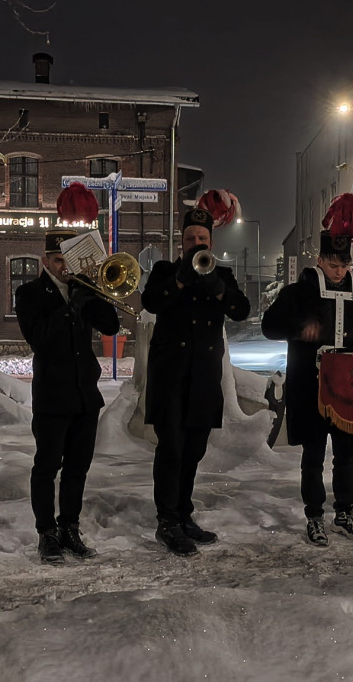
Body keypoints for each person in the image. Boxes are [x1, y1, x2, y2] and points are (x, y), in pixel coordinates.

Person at [262, 193, 353, 548]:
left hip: (348, 391)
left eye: (343, 264)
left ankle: (344, 512)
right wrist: (299, 329)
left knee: (346, 455)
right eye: (332, 263)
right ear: (321, 259)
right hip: (310, 391)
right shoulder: (298, 292)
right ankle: (314, 516)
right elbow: (269, 327)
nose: (338, 270)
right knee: (313, 455)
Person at [15, 186, 121, 564]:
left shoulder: (84, 289)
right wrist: (67, 310)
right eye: (58, 260)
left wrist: (97, 295)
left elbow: (111, 327)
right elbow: (39, 340)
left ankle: (70, 528)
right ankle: (46, 533)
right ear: (45, 261)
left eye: (68, 260)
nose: (64, 267)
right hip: (51, 395)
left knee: (78, 467)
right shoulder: (29, 295)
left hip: (84, 396)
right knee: (47, 466)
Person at [141, 204, 250, 556]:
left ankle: (183, 514)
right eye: (190, 238)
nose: (195, 243)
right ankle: (167, 521)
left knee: (194, 450)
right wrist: (180, 280)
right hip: (171, 377)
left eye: (202, 238)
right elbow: (151, 301)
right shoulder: (164, 270)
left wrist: (216, 284)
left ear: (211, 241)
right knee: (171, 447)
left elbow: (241, 310)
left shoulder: (222, 275)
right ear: (182, 241)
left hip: (204, 378)